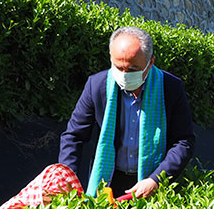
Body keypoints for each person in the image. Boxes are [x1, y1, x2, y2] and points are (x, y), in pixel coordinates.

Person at [59, 26, 195, 199]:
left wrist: (156, 180)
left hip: (151, 180)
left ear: (150, 63)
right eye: (118, 67)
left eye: (132, 70)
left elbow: (184, 141)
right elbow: (73, 136)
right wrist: (67, 180)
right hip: (109, 180)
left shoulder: (170, 88)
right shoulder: (97, 85)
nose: (124, 75)